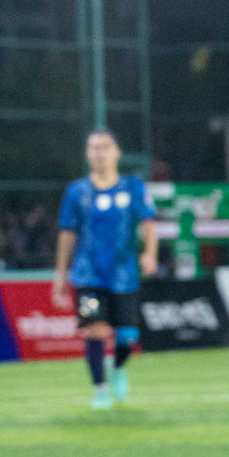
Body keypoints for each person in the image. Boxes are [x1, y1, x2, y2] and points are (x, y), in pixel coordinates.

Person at [52, 130, 158, 409]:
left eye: (105, 147)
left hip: (125, 275)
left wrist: (149, 253)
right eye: (93, 148)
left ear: (116, 152)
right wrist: (60, 274)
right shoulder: (76, 192)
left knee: (128, 336)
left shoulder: (133, 187)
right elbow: (66, 234)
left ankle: (118, 368)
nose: (99, 152)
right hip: (88, 276)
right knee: (94, 331)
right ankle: (100, 389)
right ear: (88, 154)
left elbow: (149, 225)